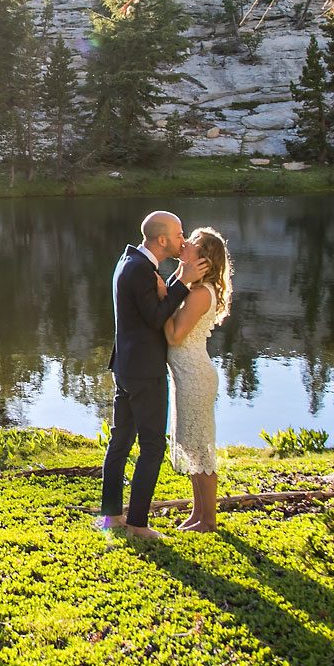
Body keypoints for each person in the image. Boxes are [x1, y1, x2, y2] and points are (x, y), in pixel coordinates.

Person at [99, 210, 203, 540]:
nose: (183, 239)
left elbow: (148, 309)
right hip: (144, 371)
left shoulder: (130, 261)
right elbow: (157, 318)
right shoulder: (141, 270)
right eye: (179, 234)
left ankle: (111, 515)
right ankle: (137, 524)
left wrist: (174, 281)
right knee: (152, 446)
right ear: (162, 239)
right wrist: (183, 282)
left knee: (120, 441)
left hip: (126, 367)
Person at [160, 227, 233, 532]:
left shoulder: (202, 294)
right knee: (192, 446)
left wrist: (161, 303)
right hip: (185, 376)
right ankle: (198, 513)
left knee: (201, 447)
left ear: (202, 258)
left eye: (191, 241)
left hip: (194, 376)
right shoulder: (195, 288)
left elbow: (175, 336)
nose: (185, 243)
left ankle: (209, 519)